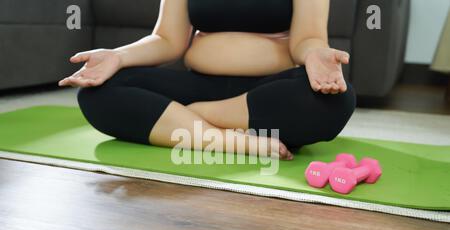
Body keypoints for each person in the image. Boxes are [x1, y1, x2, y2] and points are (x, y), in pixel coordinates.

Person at [59, 0, 356, 160]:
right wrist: (118, 56)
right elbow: (166, 39)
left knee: (335, 101)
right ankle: (228, 140)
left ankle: (185, 122)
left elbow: (307, 38)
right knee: (98, 92)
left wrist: (316, 54)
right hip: (199, 85)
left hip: (265, 93)